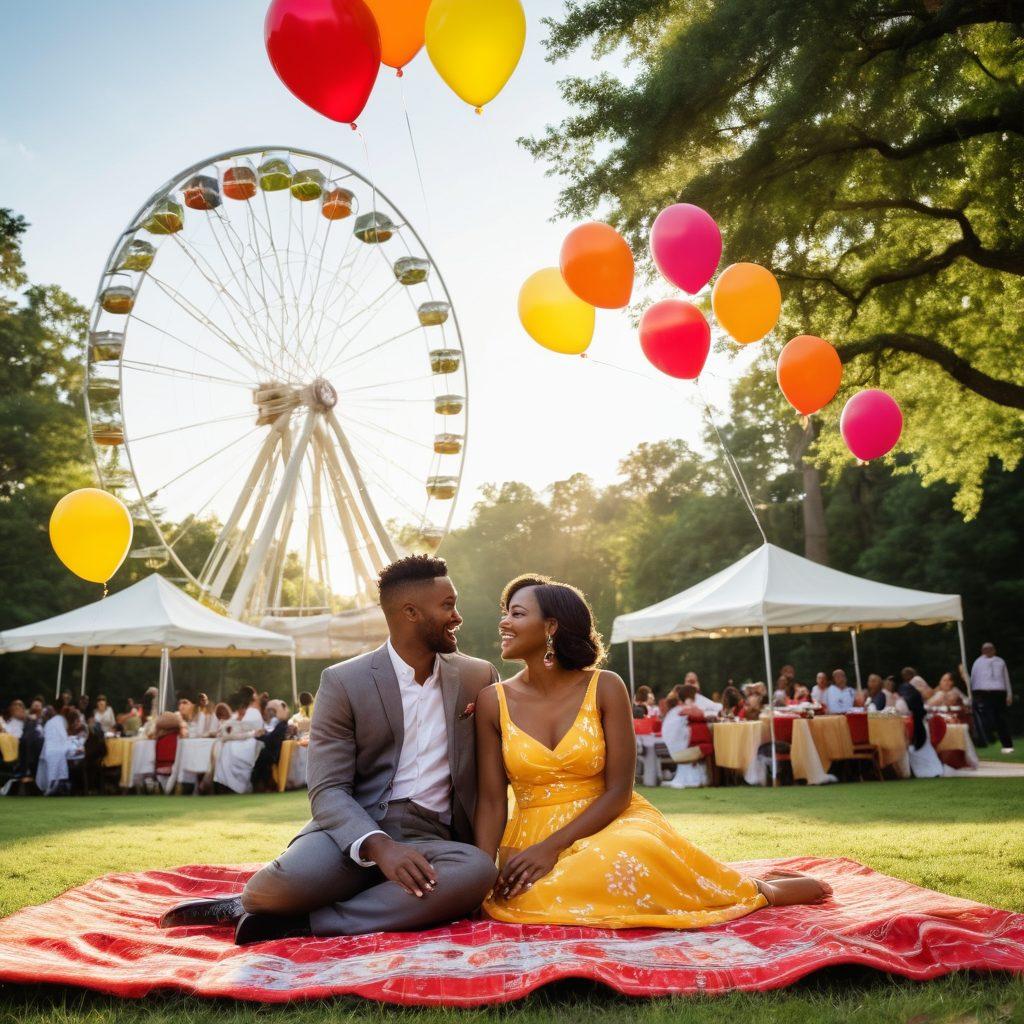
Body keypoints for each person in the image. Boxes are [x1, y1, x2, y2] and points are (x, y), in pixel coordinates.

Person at [161, 554, 499, 944]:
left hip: (434, 837)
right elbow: (327, 789)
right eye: (447, 605)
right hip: (357, 825)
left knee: (476, 871)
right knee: (276, 887)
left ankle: (305, 923)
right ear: (410, 612)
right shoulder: (344, 681)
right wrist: (381, 847)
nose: (457, 616)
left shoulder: (478, 676)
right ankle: (244, 904)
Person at [474, 573, 830, 927]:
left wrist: (552, 848)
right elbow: (491, 801)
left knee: (623, 854)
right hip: (530, 834)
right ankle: (706, 878)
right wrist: (482, 874)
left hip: (609, 822)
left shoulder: (604, 686)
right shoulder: (493, 701)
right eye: (505, 612)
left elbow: (619, 792)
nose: (504, 622)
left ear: (550, 626)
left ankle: (760, 889)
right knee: (540, 895)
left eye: (516, 613)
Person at [969, 642, 1014, 753]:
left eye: (991, 649)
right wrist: (972, 694)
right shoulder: (978, 662)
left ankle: (1007, 745)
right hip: (983, 693)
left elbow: (1006, 678)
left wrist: (1009, 694)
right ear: (982, 651)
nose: (989, 651)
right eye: (986, 649)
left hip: (999, 693)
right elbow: (974, 678)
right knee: (987, 718)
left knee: (1001, 719)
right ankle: (989, 738)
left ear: (994, 650)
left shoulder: (1000, 661)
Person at [660, 695, 707, 789]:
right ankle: (695, 779)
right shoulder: (680, 713)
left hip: (675, 750)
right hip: (683, 747)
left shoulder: (671, 717)